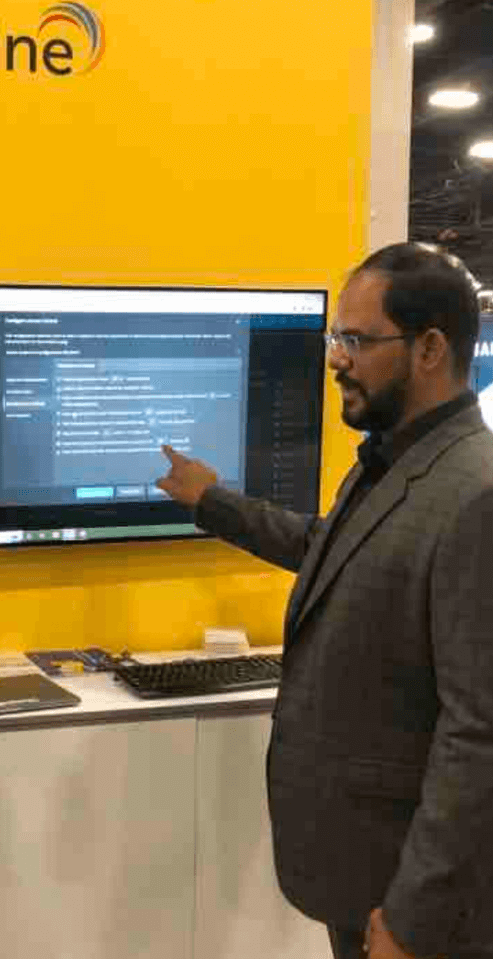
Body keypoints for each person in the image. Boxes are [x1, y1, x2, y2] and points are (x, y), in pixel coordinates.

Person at [157, 243, 493, 959]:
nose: (337, 358)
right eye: (336, 338)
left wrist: (413, 916)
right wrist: (212, 502)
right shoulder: (392, 462)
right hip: (363, 872)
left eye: (357, 341)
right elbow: (329, 549)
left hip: (418, 903)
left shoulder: (476, 497)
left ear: (430, 349)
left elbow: (479, 735)